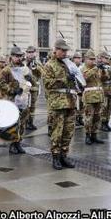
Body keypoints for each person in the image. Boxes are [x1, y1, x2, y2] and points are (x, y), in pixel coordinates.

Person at [43, 39, 77, 170]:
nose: (64, 53)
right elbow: (47, 83)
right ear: (55, 50)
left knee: (68, 131)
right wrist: (64, 80)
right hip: (57, 103)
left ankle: (64, 155)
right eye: (62, 50)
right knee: (57, 132)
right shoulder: (49, 65)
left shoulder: (68, 64)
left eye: (66, 51)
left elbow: (76, 80)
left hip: (70, 101)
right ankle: (56, 157)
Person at [0, 45, 30, 154]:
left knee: (22, 123)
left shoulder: (24, 69)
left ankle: (18, 143)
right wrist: (13, 90)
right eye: (16, 56)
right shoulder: (6, 70)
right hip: (12, 100)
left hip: (23, 100)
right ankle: (12, 144)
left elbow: (30, 81)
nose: (18, 58)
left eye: (20, 56)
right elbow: (1, 84)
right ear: (11, 56)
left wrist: (29, 79)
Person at [81, 49, 105, 145]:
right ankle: (87, 135)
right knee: (88, 117)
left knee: (97, 117)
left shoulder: (97, 68)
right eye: (91, 59)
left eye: (94, 59)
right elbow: (84, 77)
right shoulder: (83, 68)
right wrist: (96, 68)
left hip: (99, 96)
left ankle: (94, 135)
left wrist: (103, 71)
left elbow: (104, 79)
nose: (93, 61)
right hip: (89, 97)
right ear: (85, 59)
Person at [24, 46, 44, 131]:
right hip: (24, 88)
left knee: (32, 106)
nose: (30, 54)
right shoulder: (23, 62)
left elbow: (42, 73)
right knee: (24, 105)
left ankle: (30, 122)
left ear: (35, 53)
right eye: (29, 52)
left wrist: (36, 67)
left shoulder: (37, 63)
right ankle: (23, 122)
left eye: (32, 52)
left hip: (34, 88)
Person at [98, 51, 111, 132]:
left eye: (107, 58)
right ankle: (102, 124)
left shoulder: (109, 66)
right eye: (105, 58)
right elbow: (101, 78)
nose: (107, 59)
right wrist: (109, 74)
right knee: (104, 107)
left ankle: (106, 123)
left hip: (110, 89)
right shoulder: (100, 67)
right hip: (103, 89)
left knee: (109, 108)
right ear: (101, 58)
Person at [71, 52, 84, 126]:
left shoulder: (82, 67)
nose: (79, 59)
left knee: (81, 105)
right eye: (77, 58)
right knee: (75, 105)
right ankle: (75, 119)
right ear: (74, 59)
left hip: (81, 89)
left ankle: (80, 118)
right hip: (74, 89)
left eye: (80, 58)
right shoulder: (71, 67)